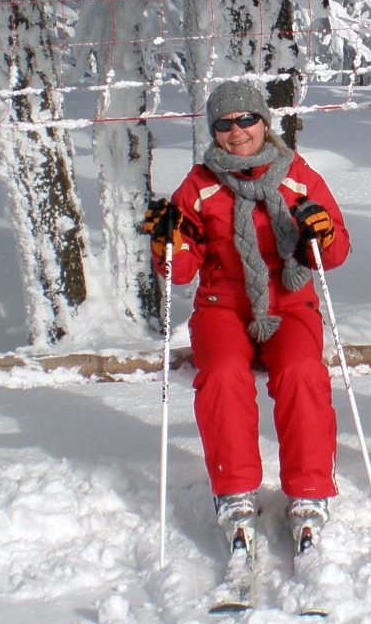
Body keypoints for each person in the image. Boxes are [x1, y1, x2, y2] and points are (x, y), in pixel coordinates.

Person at [145, 79, 350, 553]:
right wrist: (168, 244)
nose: (236, 132)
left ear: (263, 121)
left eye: (245, 120)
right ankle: (234, 490)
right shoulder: (198, 186)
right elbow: (182, 270)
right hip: (223, 304)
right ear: (212, 131)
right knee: (221, 374)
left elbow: (335, 252)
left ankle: (309, 492)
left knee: (301, 372)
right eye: (223, 124)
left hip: (291, 299)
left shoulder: (299, 176)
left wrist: (320, 233)